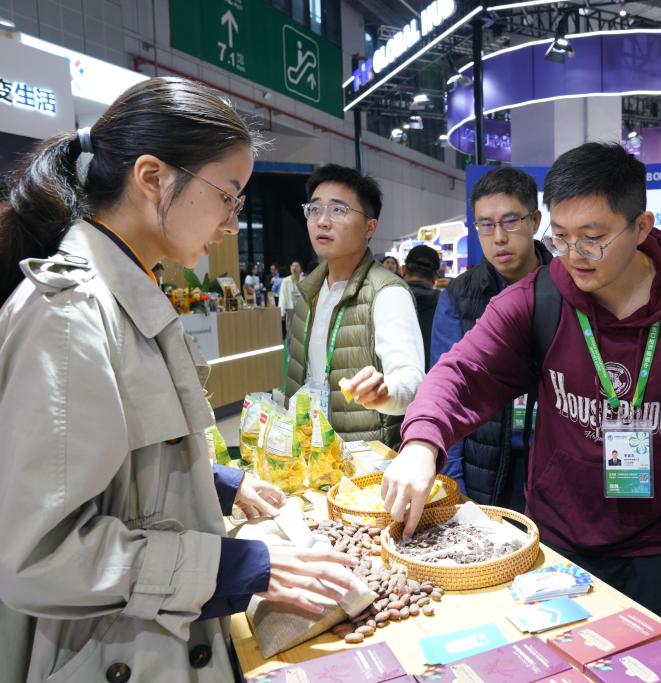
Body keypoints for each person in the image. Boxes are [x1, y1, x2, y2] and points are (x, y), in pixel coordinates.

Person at [0, 77, 359, 683]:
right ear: (152, 177)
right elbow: (37, 554)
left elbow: (115, 452)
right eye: (228, 195)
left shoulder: (125, 291)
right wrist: (231, 566)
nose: (231, 221)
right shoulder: (69, 315)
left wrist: (214, 483)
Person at [383, 143, 661, 632]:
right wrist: (422, 442)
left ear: (641, 227)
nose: (574, 256)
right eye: (562, 237)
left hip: (660, 534)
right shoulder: (537, 297)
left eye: (592, 238)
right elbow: (462, 372)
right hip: (560, 531)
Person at [429, 166, 553, 510]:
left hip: (554, 462)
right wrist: (452, 479)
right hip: (484, 466)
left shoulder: (565, 287)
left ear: (535, 220)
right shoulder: (460, 295)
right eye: (486, 224)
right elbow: (446, 392)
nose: (498, 237)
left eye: (510, 221)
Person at [285, 165, 424, 447]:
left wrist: (386, 393)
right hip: (311, 453)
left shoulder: (386, 293)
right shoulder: (308, 290)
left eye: (338, 210)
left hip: (364, 465)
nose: (322, 221)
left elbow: (411, 379)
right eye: (314, 209)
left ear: (369, 227)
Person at [403, 244, 442, 370]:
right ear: (435, 277)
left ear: (403, 270)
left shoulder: (387, 297)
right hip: (434, 378)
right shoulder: (445, 303)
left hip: (390, 382)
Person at [278, 260, 304, 340]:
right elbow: (282, 296)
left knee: (301, 330)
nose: (294, 268)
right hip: (290, 308)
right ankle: (290, 351)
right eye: (293, 266)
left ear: (300, 269)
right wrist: (281, 311)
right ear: (290, 268)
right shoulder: (286, 281)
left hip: (302, 308)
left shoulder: (304, 280)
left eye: (297, 266)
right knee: (290, 331)